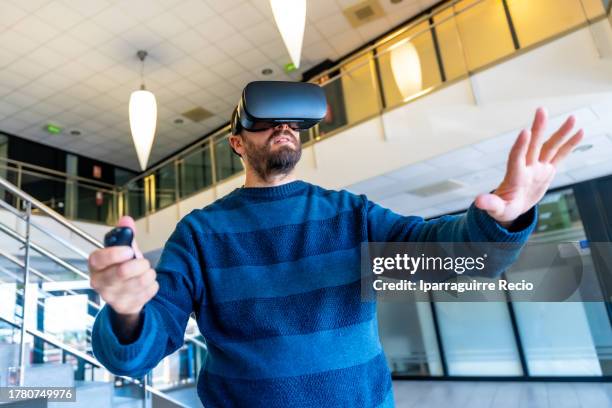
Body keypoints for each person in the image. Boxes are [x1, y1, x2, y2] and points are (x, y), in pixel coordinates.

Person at [88, 87, 583, 406]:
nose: (283, 125)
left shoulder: (351, 216)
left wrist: (505, 217)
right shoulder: (199, 235)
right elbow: (133, 354)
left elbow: (455, 263)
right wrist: (126, 311)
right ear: (238, 143)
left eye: (292, 122)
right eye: (264, 121)